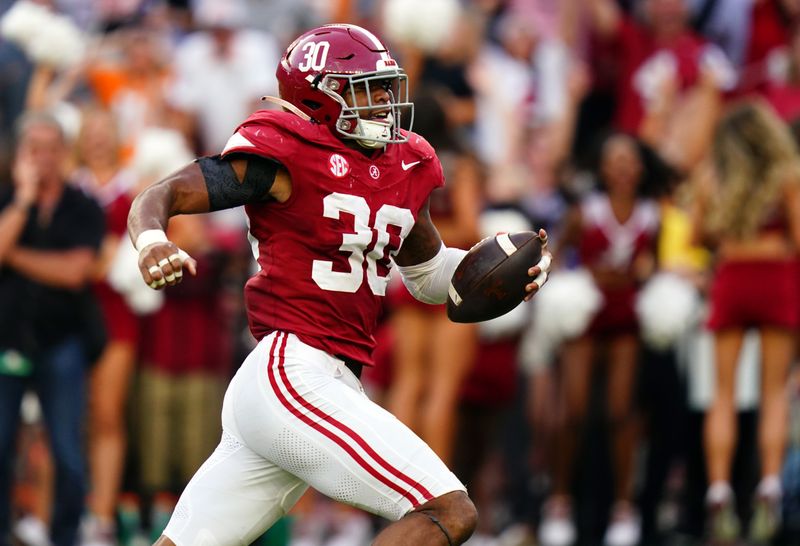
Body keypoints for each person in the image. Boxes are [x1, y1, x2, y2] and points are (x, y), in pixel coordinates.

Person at [126, 24, 551, 546]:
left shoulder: (402, 163)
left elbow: (429, 277)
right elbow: (162, 194)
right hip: (293, 370)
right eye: (365, 88)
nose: (382, 102)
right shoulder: (284, 151)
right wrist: (151, 241)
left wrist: (497, 275)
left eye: (384, 87)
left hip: (318, 379)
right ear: (318, 95)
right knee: (448, 509)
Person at [691, 100, 800, 544]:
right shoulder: (788, 176)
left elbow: (698, 236)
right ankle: (769, 487)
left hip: (733, 276)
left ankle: (718, 490)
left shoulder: (713, 178)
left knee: (723, 393)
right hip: (776, 277)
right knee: (774, 391)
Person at [0, 111, 105, 546]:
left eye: (50, 149)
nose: (42, 158)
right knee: (1, 446)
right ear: (20, 154)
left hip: (63, 341)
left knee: (66, 451)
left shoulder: (83, 205)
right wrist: (22, 202)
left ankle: (65, 536)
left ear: (64, 152)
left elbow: (76, 272)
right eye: (33, 149)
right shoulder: (7, 197)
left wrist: (15, 255)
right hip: (6, 340)